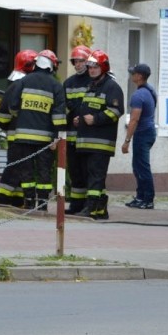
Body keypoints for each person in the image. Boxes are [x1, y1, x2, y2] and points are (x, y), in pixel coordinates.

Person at [0, 49, 66, 211]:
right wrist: (57, 136)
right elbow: (59, 116)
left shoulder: (23, 82)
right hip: (45, 140)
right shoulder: (56, 85)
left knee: (25, 171)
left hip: (22, 137)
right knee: (43, 172)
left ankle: (28, 202)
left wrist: (22, 117)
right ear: (52, 65)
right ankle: (42, 204)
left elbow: (12, 106)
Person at [72, 49, 125, 220]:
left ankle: (92, 209)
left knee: (95, 176)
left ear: (103, 67)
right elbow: (88, 109)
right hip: (87, 142)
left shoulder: (112, 87)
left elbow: (116, 111)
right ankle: (101, 210)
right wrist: (80, 119)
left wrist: (95, 119)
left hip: (100, 143)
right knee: (93, 177)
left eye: (95, 67)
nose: (91, 70)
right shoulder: (91, 86)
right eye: (90, 67)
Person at [0, 49, 38, 206]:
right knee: (14, 169)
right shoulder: (20, 86)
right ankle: (2, 201)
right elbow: (4, 113)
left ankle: (16, 201)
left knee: (20, 169)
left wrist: (6, 125)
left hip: (16, 135)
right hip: (20, 136)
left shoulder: (16, 85)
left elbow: (2, 116)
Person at [122, 63, 158, 209]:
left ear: (139, 76)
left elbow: (134, 120)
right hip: (148, 132)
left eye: (133, 73)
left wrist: (126, 141)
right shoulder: (150, 91)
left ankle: (148, 199)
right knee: (138, 167)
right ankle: (140, 197)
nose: (131, 75)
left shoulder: (138, 95)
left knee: (142, 167)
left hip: (142, 134)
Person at [62, 45, 92, 214]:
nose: (78, 65)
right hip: (72, 137)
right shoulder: (69, 83)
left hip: (88, 137)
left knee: (88, 172)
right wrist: (70, 116)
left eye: (81, 61)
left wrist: (78, 113)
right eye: (75, 61)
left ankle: (89, 204)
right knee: (75, 173)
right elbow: (63, 107)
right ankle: (76, 205)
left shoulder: (94, 81)